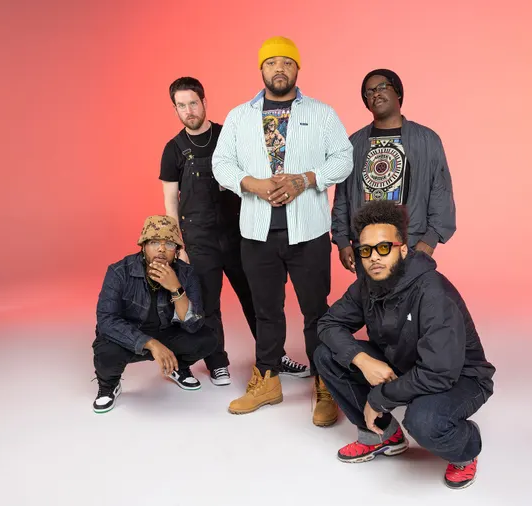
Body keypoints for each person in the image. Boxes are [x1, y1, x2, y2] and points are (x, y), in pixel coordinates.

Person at [212, 36, 353, 425]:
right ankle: (268, 381)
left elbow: (344, 158)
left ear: (297, 69)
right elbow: (221, 163)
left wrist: (305, 179)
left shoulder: (322, 113)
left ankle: (325, 382)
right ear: (261, 69)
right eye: (272, 62)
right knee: (266, 310)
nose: (279, 68)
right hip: (257, 232)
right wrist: (252, 184)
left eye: (287, 62)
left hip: (308, 232)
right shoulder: (239, 116)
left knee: (316, 310)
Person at [315, 201, 495, 489]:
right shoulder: (365, 285)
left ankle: (466, 449)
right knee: (327, 355)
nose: (374, 257)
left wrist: (379, 398)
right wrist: (361, 359)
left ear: (402, 249)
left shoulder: (432, 292)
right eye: (366, 250)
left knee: (424, 421)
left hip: (459, 377)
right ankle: (383, 435)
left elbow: (439, 372)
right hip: (405, 364)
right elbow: (328, 324)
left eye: (383, 247)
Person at [161, 76, 297, 386]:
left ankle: (275, 357)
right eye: (181, 106)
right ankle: (217, 363)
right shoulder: (173, 150)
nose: (189, 111)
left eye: (193, 103)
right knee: (208, 304)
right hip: (199, 239)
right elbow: (170, 201)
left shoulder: (228, 135)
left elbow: (253, 175)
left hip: (239, 233)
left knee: (256, 297)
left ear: (204, 102)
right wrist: (177, 245)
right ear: (175, 109)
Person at [331, 69, 456, 277]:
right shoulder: (354, 144)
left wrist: (430, 239)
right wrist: (343, 241)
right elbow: (342, 196)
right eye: (369, 92)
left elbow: (440, 191)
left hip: (411, 244)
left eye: (382, 87)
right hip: (367, 247)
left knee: (413, 297)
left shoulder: (426, 139)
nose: (375, 94)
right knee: (370, 298)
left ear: (398, 92)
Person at [91, 215, 218, 413]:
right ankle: (109, 385)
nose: (161, 249)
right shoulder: (119, 271)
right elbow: (106, 321)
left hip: (167, 333)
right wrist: (150, 343)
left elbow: (193, 324)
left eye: (169, 243)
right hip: (130, 336)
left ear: (176, 250)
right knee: (106, 352)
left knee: (207, 339)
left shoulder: (186, 273)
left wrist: (176, 288)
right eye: (154, 242)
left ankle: (177, 367)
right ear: (143, 246)